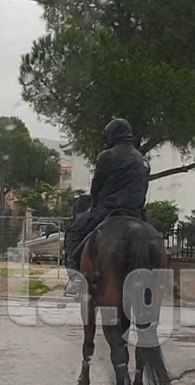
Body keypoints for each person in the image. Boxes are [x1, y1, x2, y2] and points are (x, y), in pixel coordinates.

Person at [63, 118, 151, 297]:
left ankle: (76, 279)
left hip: (108, 212)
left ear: (112, 135)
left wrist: (95, 204)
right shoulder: (143, 160)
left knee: (73, 233)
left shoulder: (107, 156)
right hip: (136, 214)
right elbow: (143, 189)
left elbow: (96, 187)